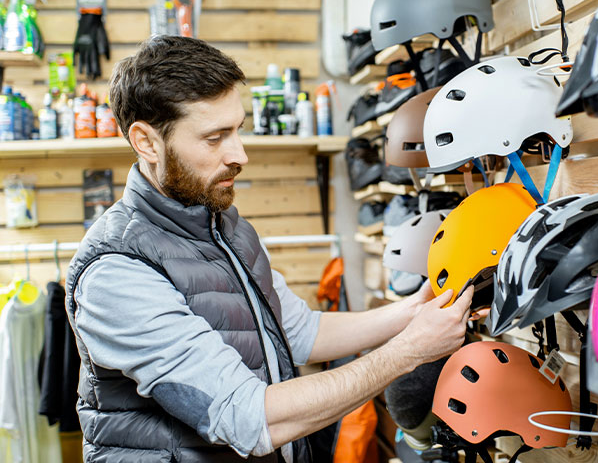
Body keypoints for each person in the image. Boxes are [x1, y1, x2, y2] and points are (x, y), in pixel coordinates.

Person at [65, 35, 474, 463]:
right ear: (147, 142)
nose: (239, 154)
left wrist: (412, 313)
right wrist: (408, 352)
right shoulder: (115, 271)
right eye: (214, 138)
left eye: (237, 130)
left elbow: (297, 331)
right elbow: (246, 418)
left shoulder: (225, 227)